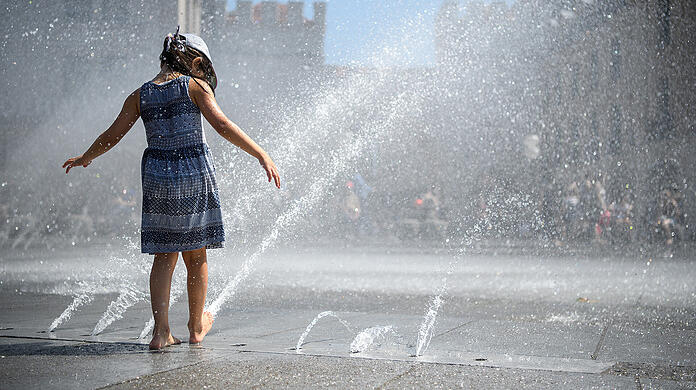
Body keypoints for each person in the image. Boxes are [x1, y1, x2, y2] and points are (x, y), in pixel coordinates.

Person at [62, 29, 281, 350]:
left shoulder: (140, 95)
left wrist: (87, 156)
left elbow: (113, 134)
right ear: (195, 61)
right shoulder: (194, 86)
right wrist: (261, 153)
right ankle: (195, 325)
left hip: (157, 175)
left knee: (164, 253)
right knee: (196, 252)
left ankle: (161, 331)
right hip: (192, 172)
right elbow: (221, 124)